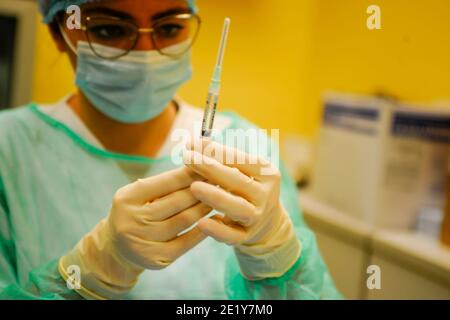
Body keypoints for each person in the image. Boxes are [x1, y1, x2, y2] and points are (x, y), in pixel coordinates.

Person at [0, 0, 341, 299]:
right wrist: (83, 277)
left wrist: (278, 260)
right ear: (59, 33)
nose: (146, 53)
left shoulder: (247, 145)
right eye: (108, 30)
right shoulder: (8, 147)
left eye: (168, 28)